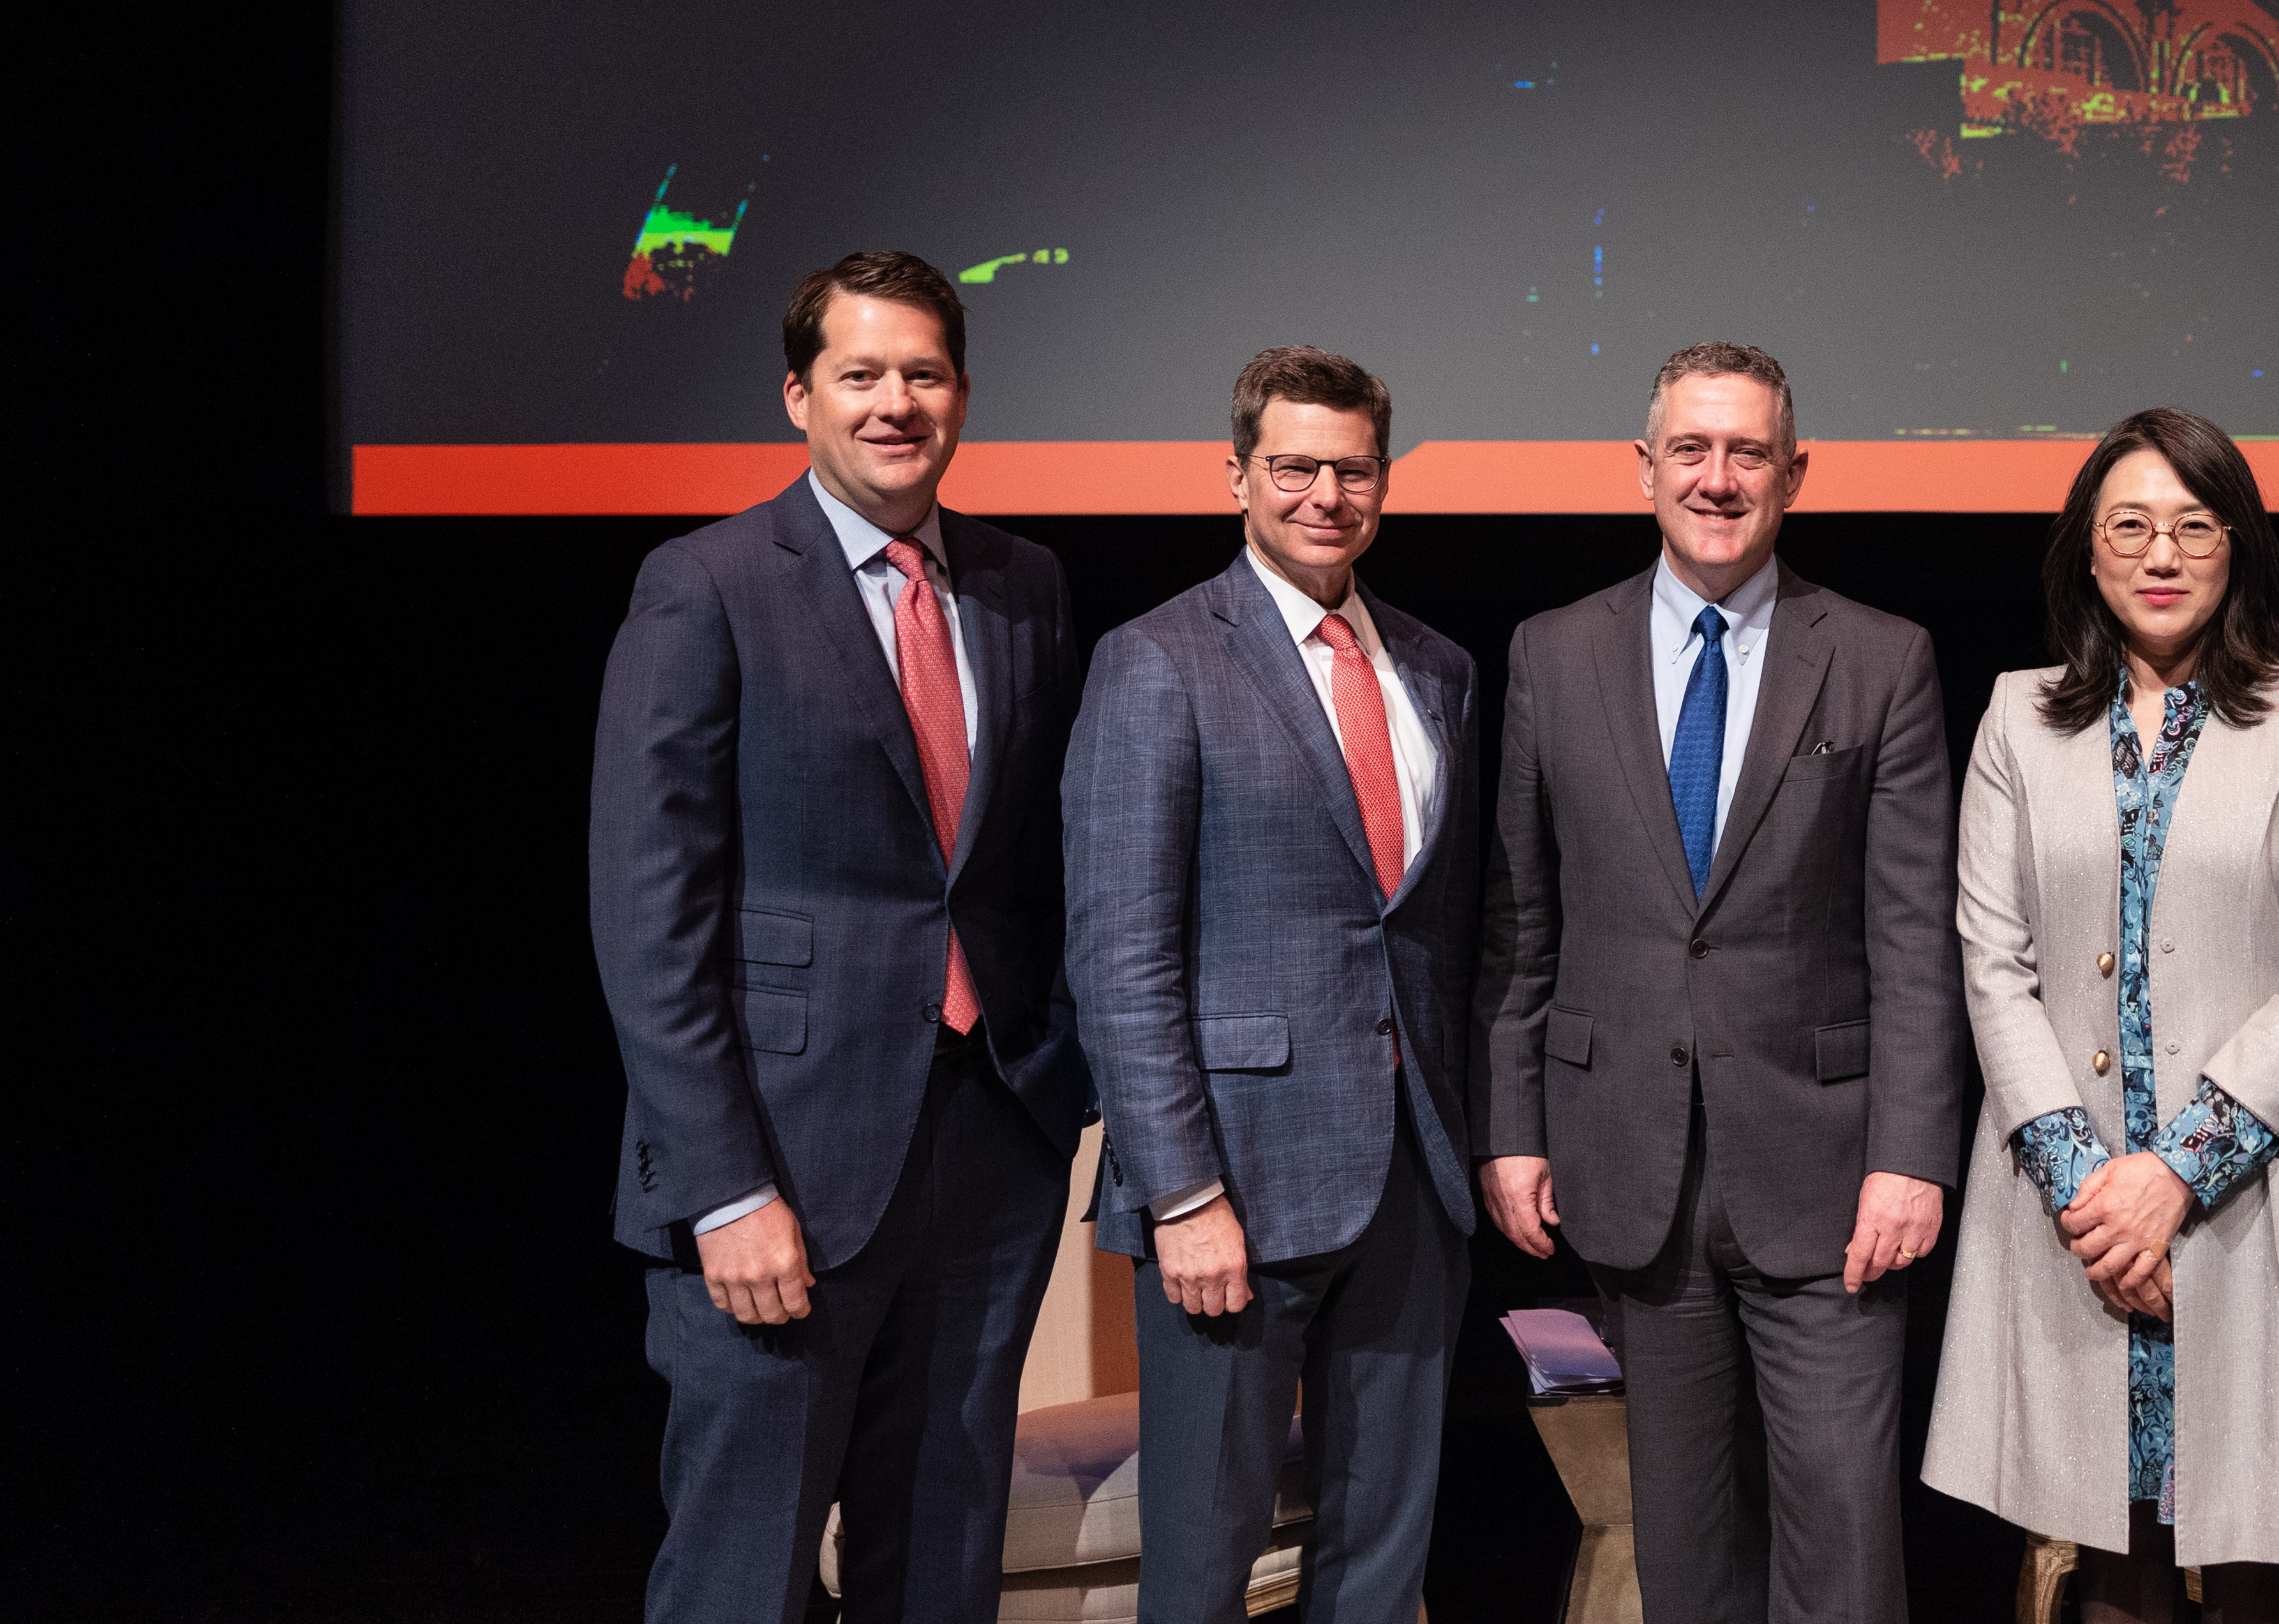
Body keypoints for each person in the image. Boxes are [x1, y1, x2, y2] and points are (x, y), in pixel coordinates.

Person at [588, 250, 1088, 1624]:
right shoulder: (707, 583)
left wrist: (1057, 1080)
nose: (894, 402)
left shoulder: (1023, 581)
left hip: (985, 1147)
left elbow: (1029, 865)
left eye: (922, 373)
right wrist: (724, 1187)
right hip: (779, 1169)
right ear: (798, 394)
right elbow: (650, 918)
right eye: (860, 374)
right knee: (742, 1571)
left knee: (941, 1561)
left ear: (964, 395)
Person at [1476, 341, 1960, 1624]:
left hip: (1829, 1174)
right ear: (1641, 468)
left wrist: (1910, 1153)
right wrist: (1511, 1129)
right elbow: (1520, 922)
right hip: (1625, 1166)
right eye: (1689, 447)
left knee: (1843, 1537)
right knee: (1683, 1549)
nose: (1717, 474)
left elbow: (1912, 936)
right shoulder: (1550, 652)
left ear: (1793, 473)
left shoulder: (1879, 654)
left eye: (1747, 450)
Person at [1924, 409, 2279, 1621]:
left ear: (2237, 546)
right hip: (2075, 1204)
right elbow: (1993, 961)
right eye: (2130, 525)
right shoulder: (2017, 716)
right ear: (2086, 553)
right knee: (2112, 1551)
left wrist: (2177, 1177)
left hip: (2249, 1199)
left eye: (2195, 526)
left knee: (2255, 1550)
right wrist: (2095, 1195)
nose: (2161, 552)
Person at [1062, 346, 1481, 1624]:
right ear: (1234, 471)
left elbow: (1438, 929)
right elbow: (1118, 956)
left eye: (1350, 468)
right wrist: (1180, 1189)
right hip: (1231, 1188)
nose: (1323, 493)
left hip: (1414, 1174)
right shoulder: (1158, 659)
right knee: (1200, 1558)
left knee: (1381, 1550)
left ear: (1383, 479)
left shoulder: (1435, 665)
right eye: (1292, 465)